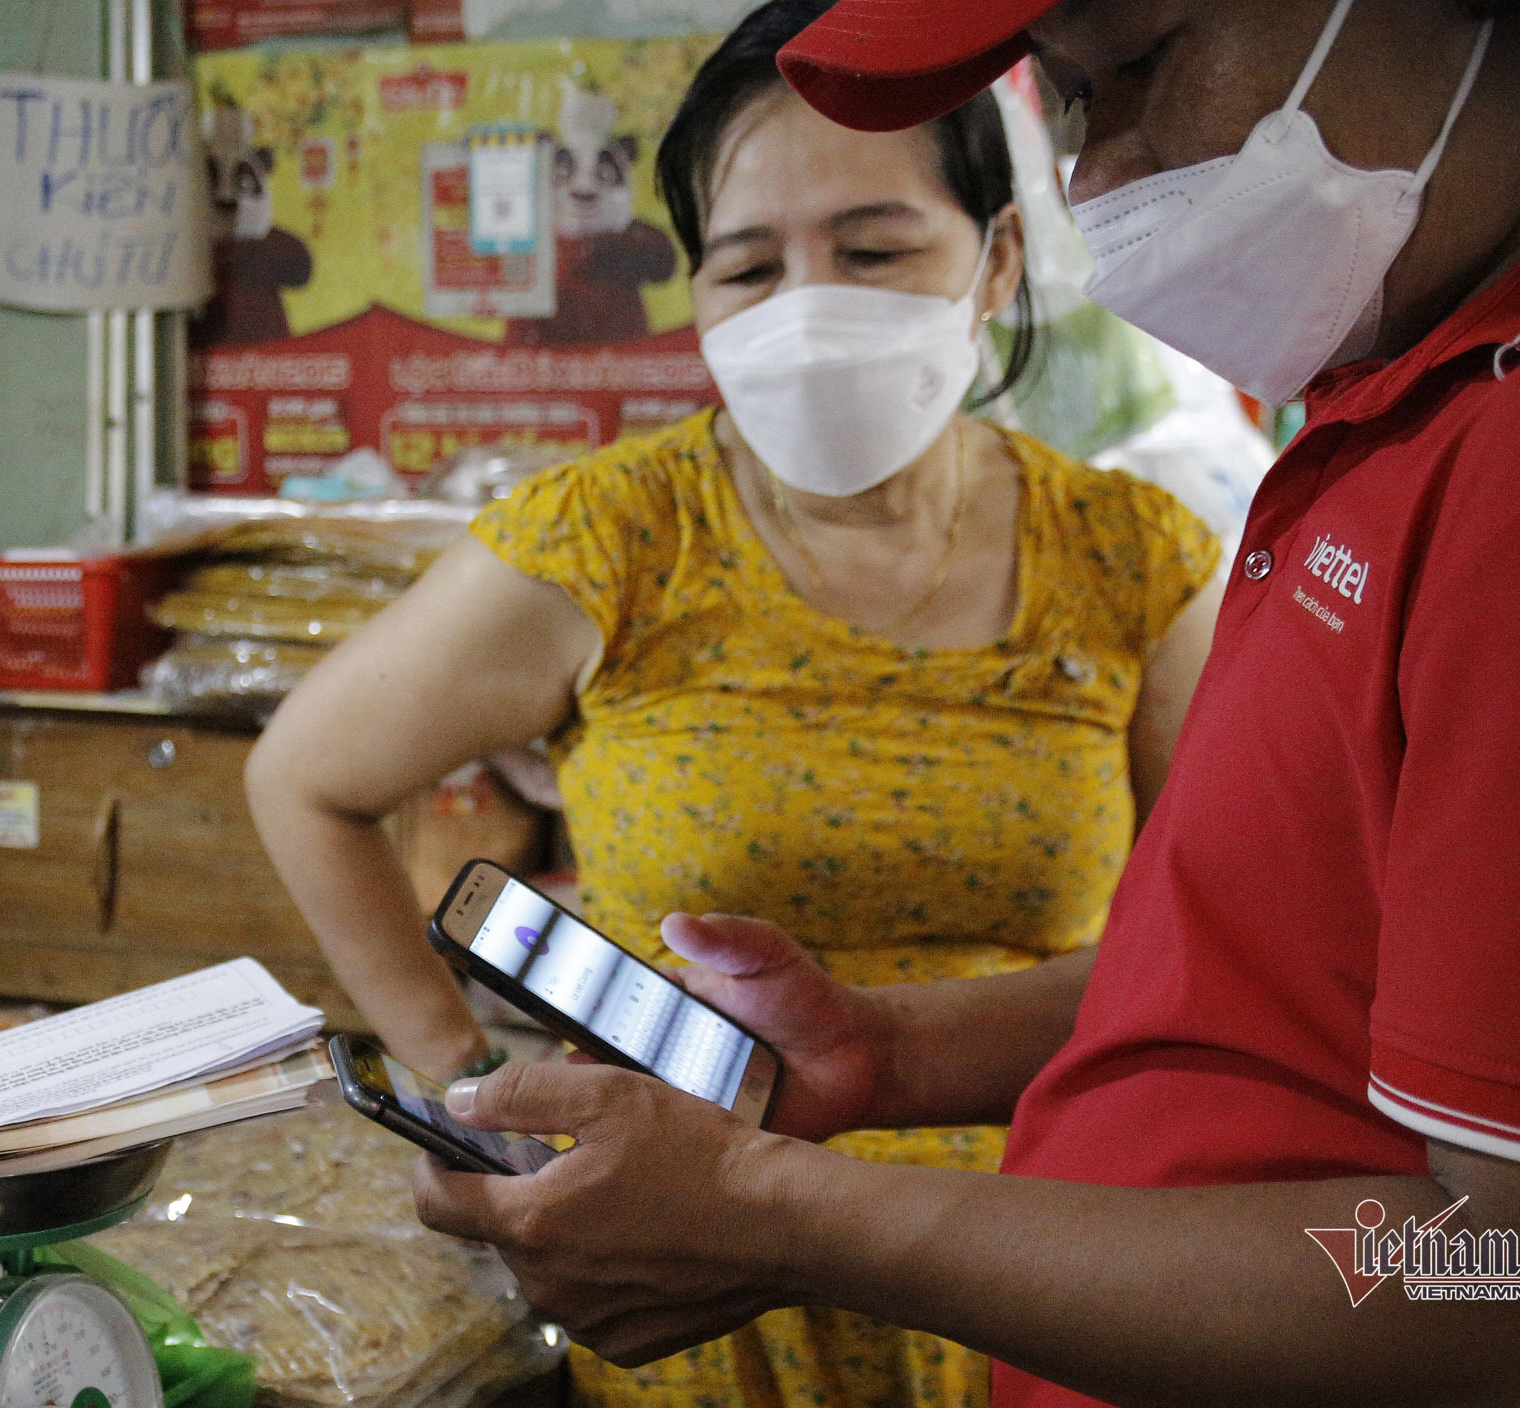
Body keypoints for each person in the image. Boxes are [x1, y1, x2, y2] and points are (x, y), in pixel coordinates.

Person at [409, 0, 1520, 1404]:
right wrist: (892, 1053)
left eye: (1141, 68)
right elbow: (1290, 971)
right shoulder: (1405, 400)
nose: (1104, 180)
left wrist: (784, 1213)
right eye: (1077, 106)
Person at [244, 3, 1223, 1405]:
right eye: (748, 266)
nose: (809, 309)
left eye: (875, 251)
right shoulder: (613, 537)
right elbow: (306, 778)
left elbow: (1218, 946)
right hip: (700, 1290)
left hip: (1043, 1271)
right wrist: (468, 1086)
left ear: (997, 260)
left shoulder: (1135, 558)